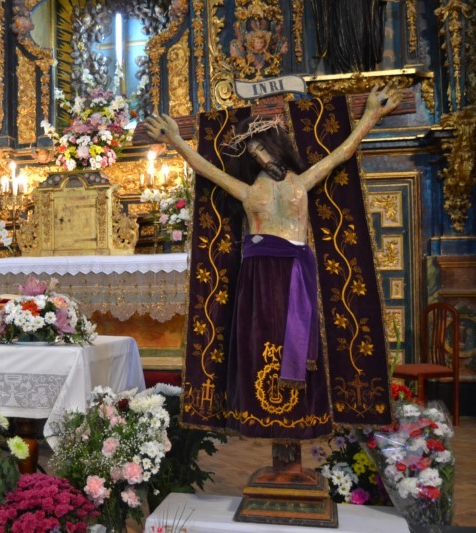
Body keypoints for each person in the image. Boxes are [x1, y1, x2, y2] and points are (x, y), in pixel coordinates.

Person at [144, 85, 400, 456]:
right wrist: (176, 142)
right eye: (253, 151)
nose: (260, 156)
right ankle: (262, 416)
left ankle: (299, 422)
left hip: (295, 269)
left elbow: (341, 154)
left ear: (278, 146)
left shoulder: (299, 182)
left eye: (263, 147)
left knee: (296, 342)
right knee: (259, 343)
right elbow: (207, 169)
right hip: (258, 276)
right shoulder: (249, 192)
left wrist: (370, 116)